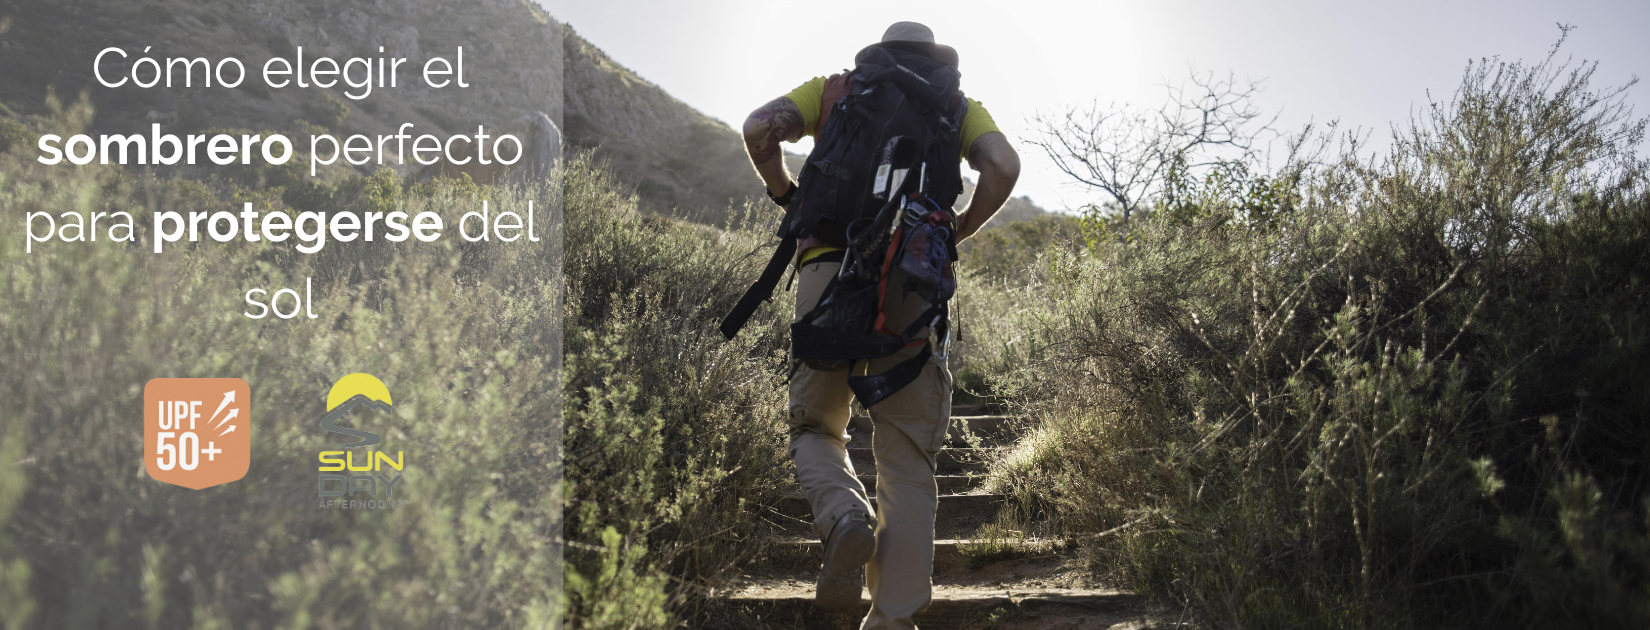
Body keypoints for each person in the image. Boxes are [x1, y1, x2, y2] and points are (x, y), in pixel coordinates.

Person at [738, 21, 1021, 629]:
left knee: (816, 426)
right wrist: (957, 228)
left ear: (880, 51)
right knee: (907, 459)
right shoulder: (957, 105)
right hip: (910, 280)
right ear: (936, 55)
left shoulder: (837, 88)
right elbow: (1002, 165)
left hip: (824, 273)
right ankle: (892, 619)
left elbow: (759, 128)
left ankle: (844, 517)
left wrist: (785, 193)